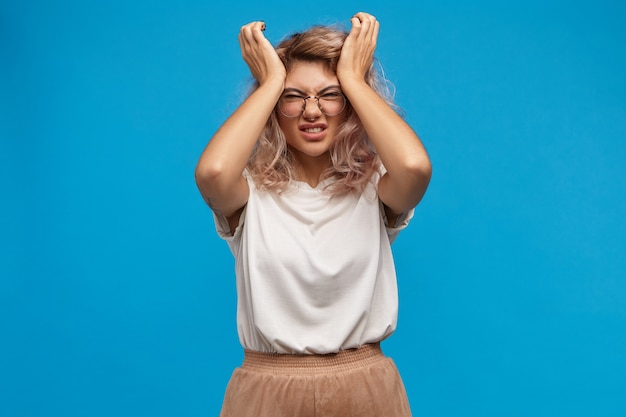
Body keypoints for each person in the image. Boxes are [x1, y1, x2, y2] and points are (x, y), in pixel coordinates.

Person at [195, 11, 431, 417]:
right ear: (273, 105)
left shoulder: (376, 187)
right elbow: (213, 172)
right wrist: (270, 81)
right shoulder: (247, 192)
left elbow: (414, 168)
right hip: (266, 391)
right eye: (293, 96)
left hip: (364, 388)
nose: (312, 111)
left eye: (330, 94)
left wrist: (354, 79)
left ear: (351, 104)